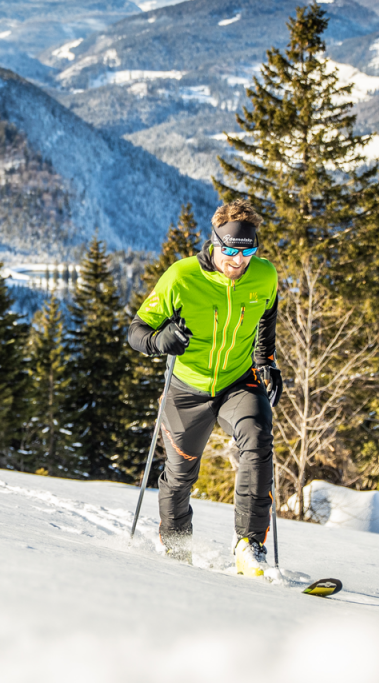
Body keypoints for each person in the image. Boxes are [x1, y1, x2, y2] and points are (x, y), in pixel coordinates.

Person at [127, 200, 282, 575]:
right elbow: (136, 331)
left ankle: (249, 544)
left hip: (237, 381)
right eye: (229, 249)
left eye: (247, 251)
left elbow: (266, 321)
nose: (238, 259)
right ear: (214, 242)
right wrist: (160, 340)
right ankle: (176, 545)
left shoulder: (264, 276)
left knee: (258, 439)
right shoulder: (181, 277)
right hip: (187, 387)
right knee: (180, 475)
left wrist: (266, 362)